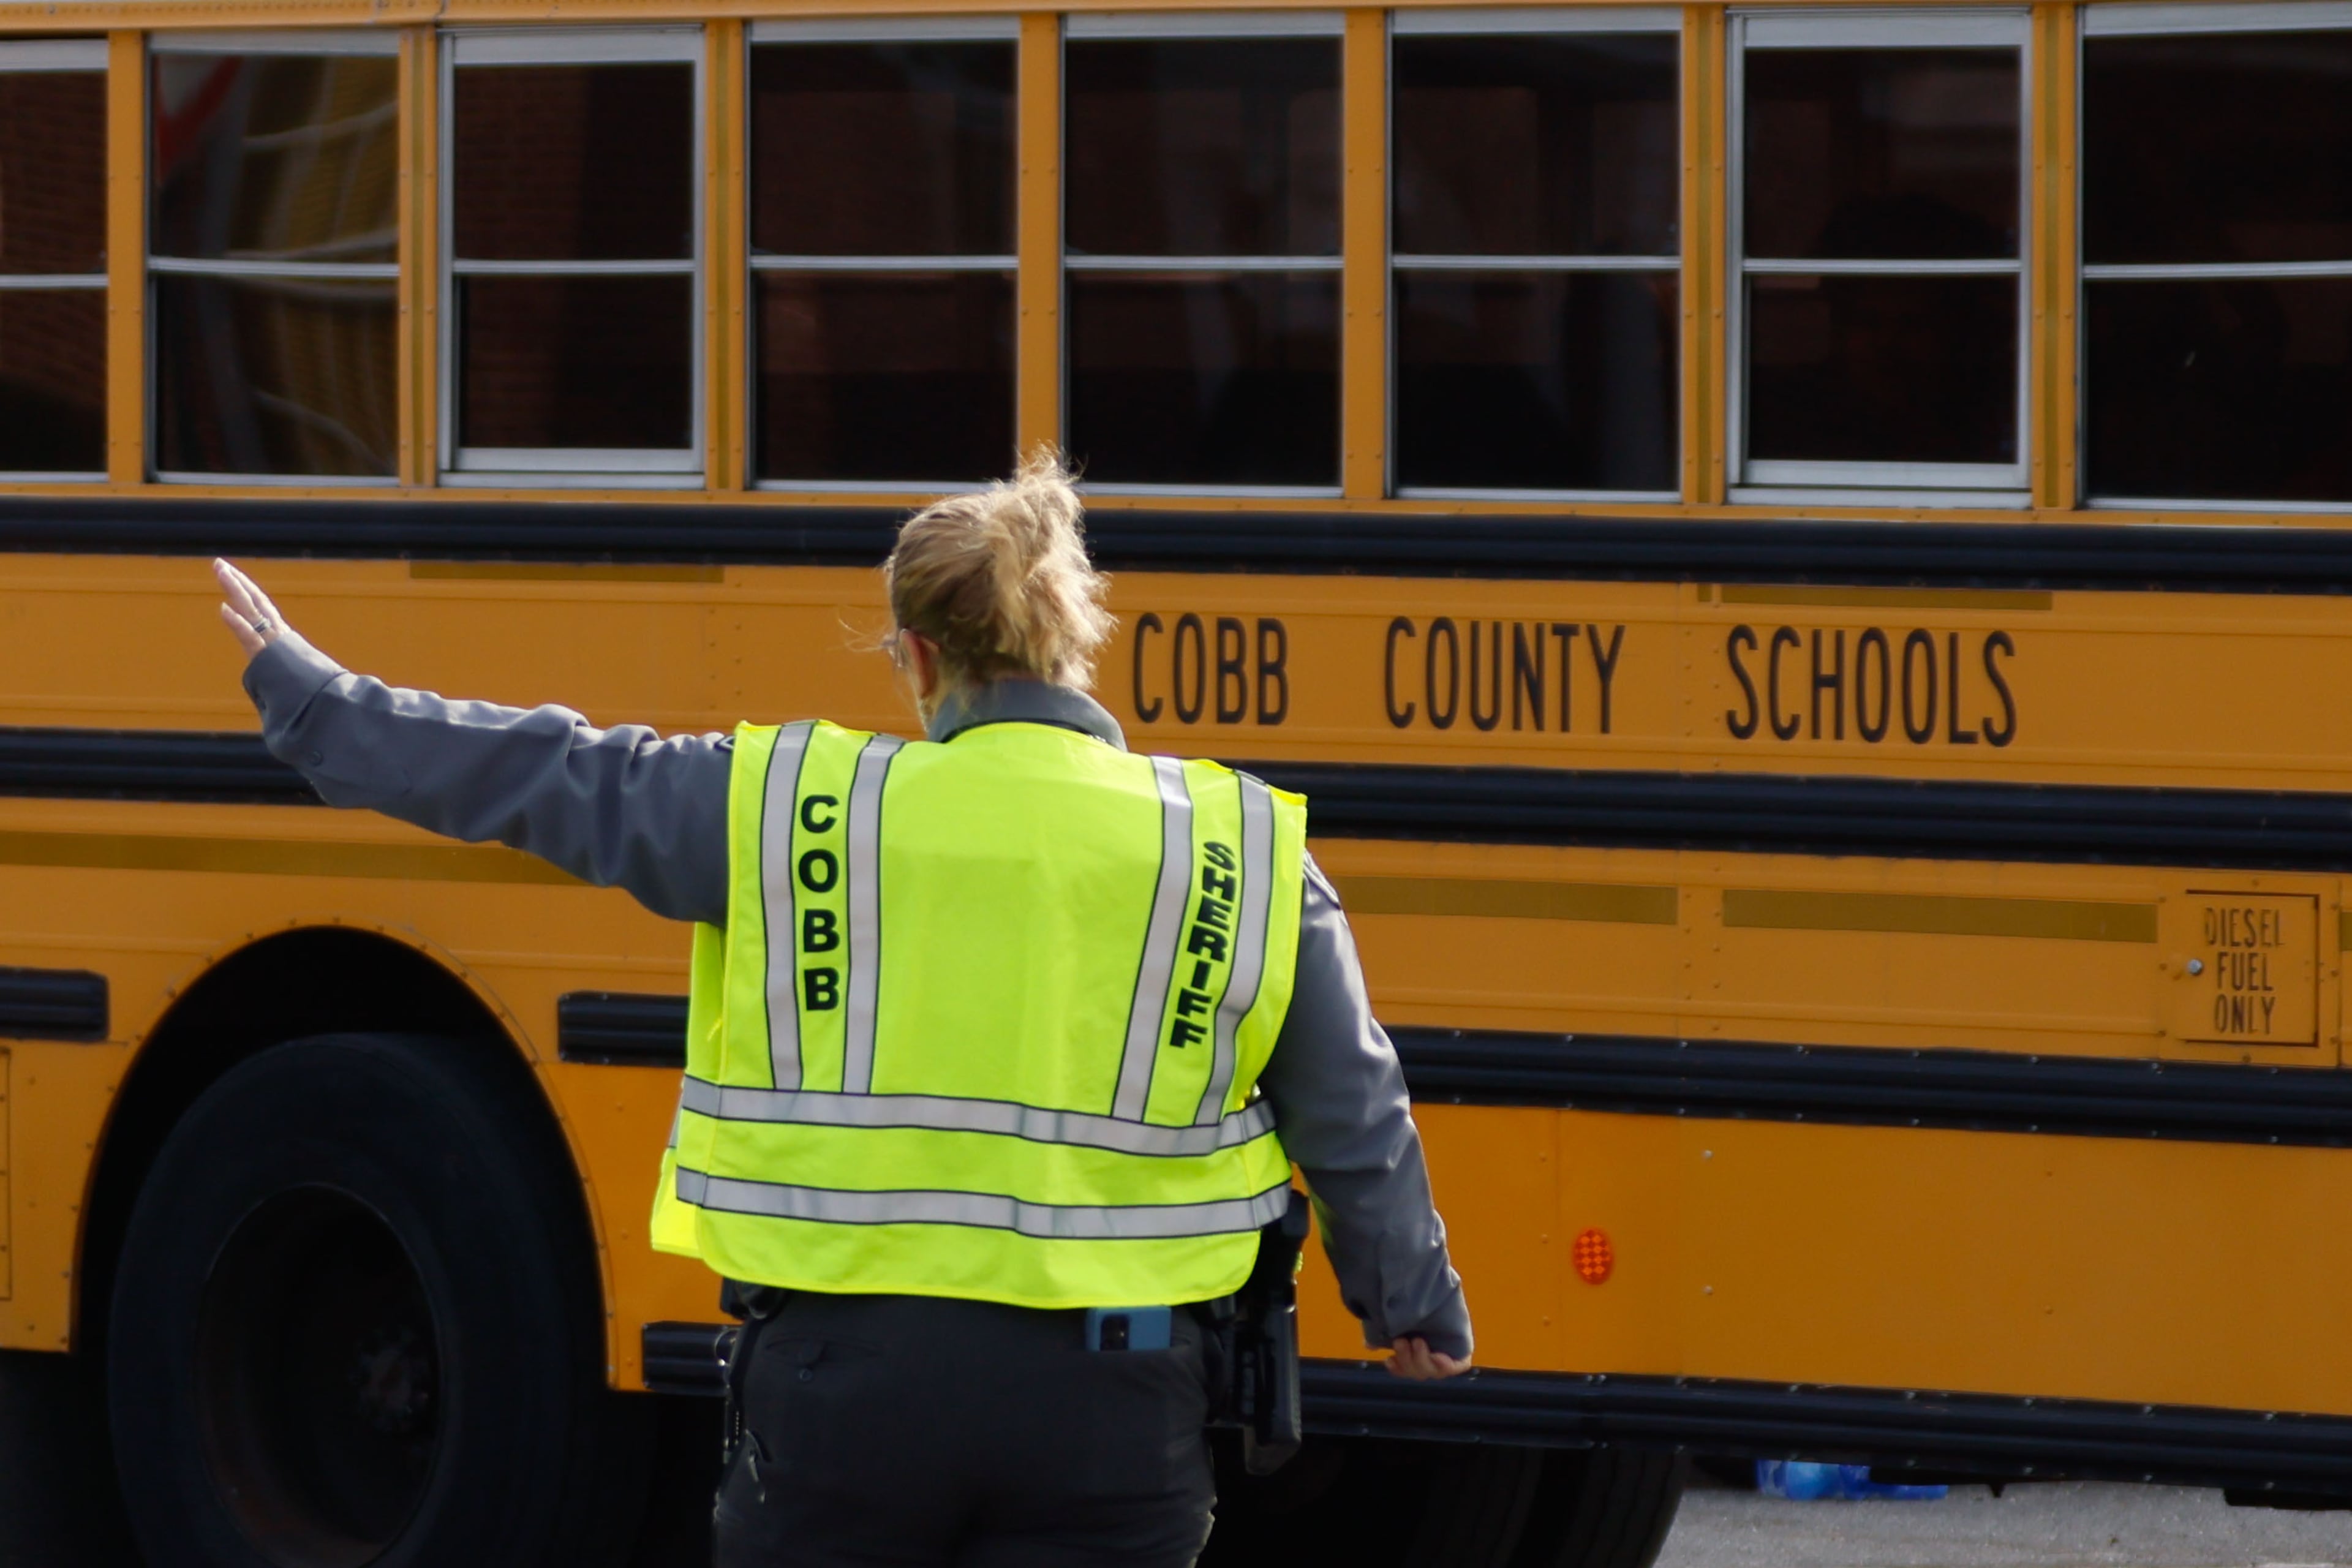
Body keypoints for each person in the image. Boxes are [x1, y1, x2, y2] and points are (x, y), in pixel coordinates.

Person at [213, 453, 1471, 1568]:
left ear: (918, 656)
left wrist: (324, 704)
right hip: (1116, 1400)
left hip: (840, 1398)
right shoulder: (1236, 847)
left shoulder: (789, 810)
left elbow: (551, 775)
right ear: (1075, 641)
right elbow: (1354, 1109)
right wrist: (1410, 1299)